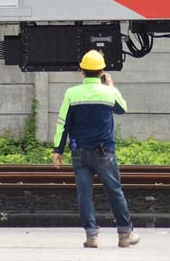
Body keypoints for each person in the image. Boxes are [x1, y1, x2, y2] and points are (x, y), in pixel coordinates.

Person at [53, 50, 140, 248]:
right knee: (114, 191)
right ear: (102, 71)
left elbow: (63, 123)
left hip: (79, 152)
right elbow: (122, 109)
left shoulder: (71, 93)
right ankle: (125, 234)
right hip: (104, 152)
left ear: (81, 71)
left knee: (84, 194)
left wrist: (58, 150)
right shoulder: (108, 92)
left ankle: (91, 236)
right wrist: (111, 87)